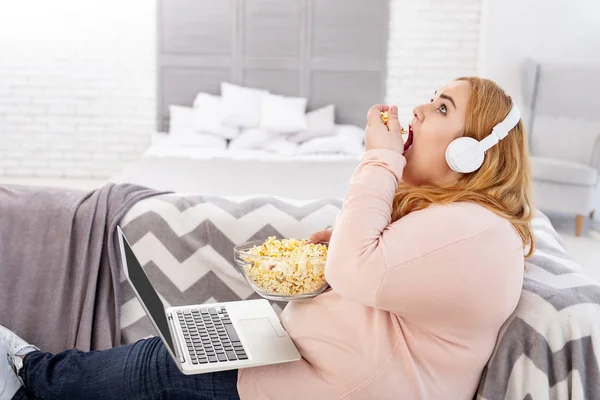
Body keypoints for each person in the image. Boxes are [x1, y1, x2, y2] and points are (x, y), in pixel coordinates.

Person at [0, 77, 534, 400]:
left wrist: (381, 158)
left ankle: (30, 372)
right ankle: (38, 371)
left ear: (474, 153)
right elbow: (387, 279)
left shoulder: (477, 230)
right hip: (310, 360)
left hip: (330, 385)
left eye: (442, 108)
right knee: (167, 349)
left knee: (155, 367)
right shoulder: (463, 223)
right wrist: (341, 251)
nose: (418, 109)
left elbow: (358, 272)